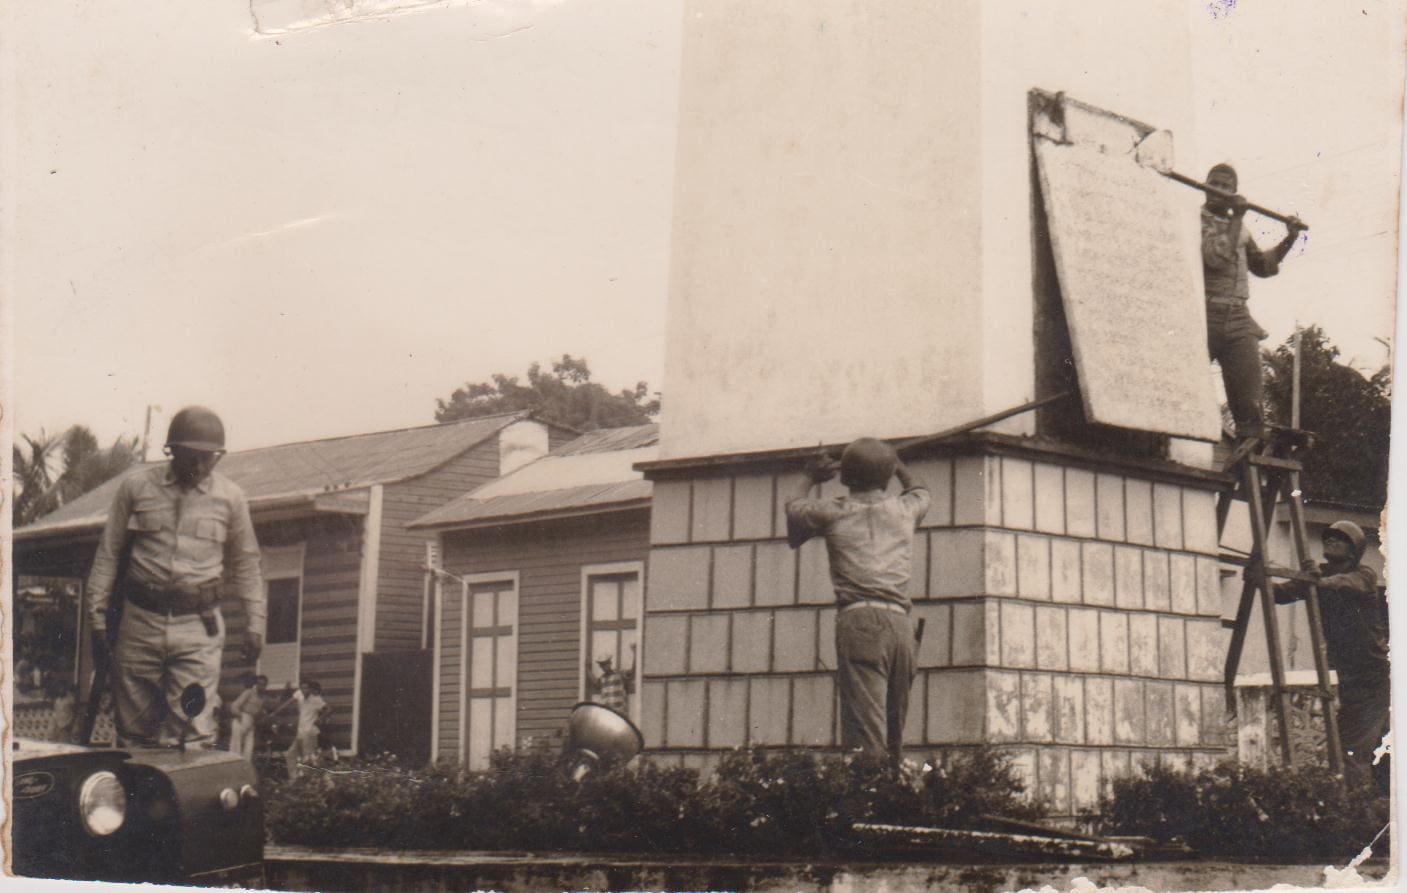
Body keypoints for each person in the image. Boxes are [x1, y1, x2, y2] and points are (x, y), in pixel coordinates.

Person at [86, 406, 264, 748]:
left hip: (197, 629)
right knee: (133, 733)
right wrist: (96, 618)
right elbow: (107, 554)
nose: (199, 467)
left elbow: (247, 565)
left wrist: (256, 624)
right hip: (139, 623)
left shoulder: (231, 498)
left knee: (191, 732)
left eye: (208, 459)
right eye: (190, 457)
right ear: (172, 451)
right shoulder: (136, 487)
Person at [785, 438, 930, 767]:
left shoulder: (833, 511)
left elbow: (793, 506)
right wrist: (899, 465)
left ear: (846, 477)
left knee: (866, 740)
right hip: (901, 626)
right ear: (887, 475)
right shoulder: (905, 509)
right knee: (894, 743)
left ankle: (869, 806)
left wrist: (809, 476)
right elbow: (921, 490)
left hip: (860, 622)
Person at [1272, 521, 1388, 791]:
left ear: (1353, 551)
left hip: (1373, 674)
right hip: (1348, 675)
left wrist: (1315, 580)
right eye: (1329, 538)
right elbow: (1280, 594)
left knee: (1352, 746)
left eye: (1341, 539)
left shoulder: (1364, 575)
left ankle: (1358, 806)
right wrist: (1258, 579)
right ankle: (1372, 803)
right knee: (1359, 744)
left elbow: (1346, 583)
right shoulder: (1319, 578)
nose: (1331, 541)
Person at [1201, 162, 1306, 441]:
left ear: (1234, 192)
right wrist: (1237, 217)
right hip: (1205, 314)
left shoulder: (1242, 229)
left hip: (1238, 317)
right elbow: (1216, 257)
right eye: (1214, 184)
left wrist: (1290, 238)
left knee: (1250, 407)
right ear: (1205, 187)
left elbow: (1262, 266)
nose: (1219, 191)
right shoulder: (1197, 220)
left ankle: (1245, 474)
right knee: (1192, 393)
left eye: (1226, 187)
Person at [274, 680, 330, 779]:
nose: (304, 690)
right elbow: (288, 703)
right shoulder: (299, 694)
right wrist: (275, 713)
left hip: (309, 732)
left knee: (308, 758)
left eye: (306, 688)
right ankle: (294, 779)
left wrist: (320, 719)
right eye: (302, 688)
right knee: (290, 755)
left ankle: (313, 781)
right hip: (300, 733)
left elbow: (329, 709)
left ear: (311, 689)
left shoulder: (316, 699)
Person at [587, 644, 637, 714]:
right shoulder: (602, 678)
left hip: (619, 713)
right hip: (607, 714)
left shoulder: (619, 673)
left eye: (606, 663)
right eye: (602, 665)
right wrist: (587, 669)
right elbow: (595, 682)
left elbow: (632, 671)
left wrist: (635, 652)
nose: (604, 666)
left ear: (610, 663)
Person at [228, 674, 268, 760]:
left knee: (248, 749)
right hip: (241, 720)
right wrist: (240, 717)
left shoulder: (262, 698)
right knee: (236, 748)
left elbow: (258, 711)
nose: (262, 686)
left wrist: (263, 714)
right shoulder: (249, 692)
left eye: (264, 684)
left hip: (251, 723)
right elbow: (234, 706)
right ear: (256, 684)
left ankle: (245, 770)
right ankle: (233, 769)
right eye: (260, 684)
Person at [44, 678, 78, 743]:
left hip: (67, 725)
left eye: (61, 688)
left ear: (65, 688)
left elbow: (75, 712)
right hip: (58, 725)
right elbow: (56, 712)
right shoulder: (57, 699)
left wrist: (70, 724)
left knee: (65, 743)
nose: (60, 690)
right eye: (58, 688)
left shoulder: (70, 698)